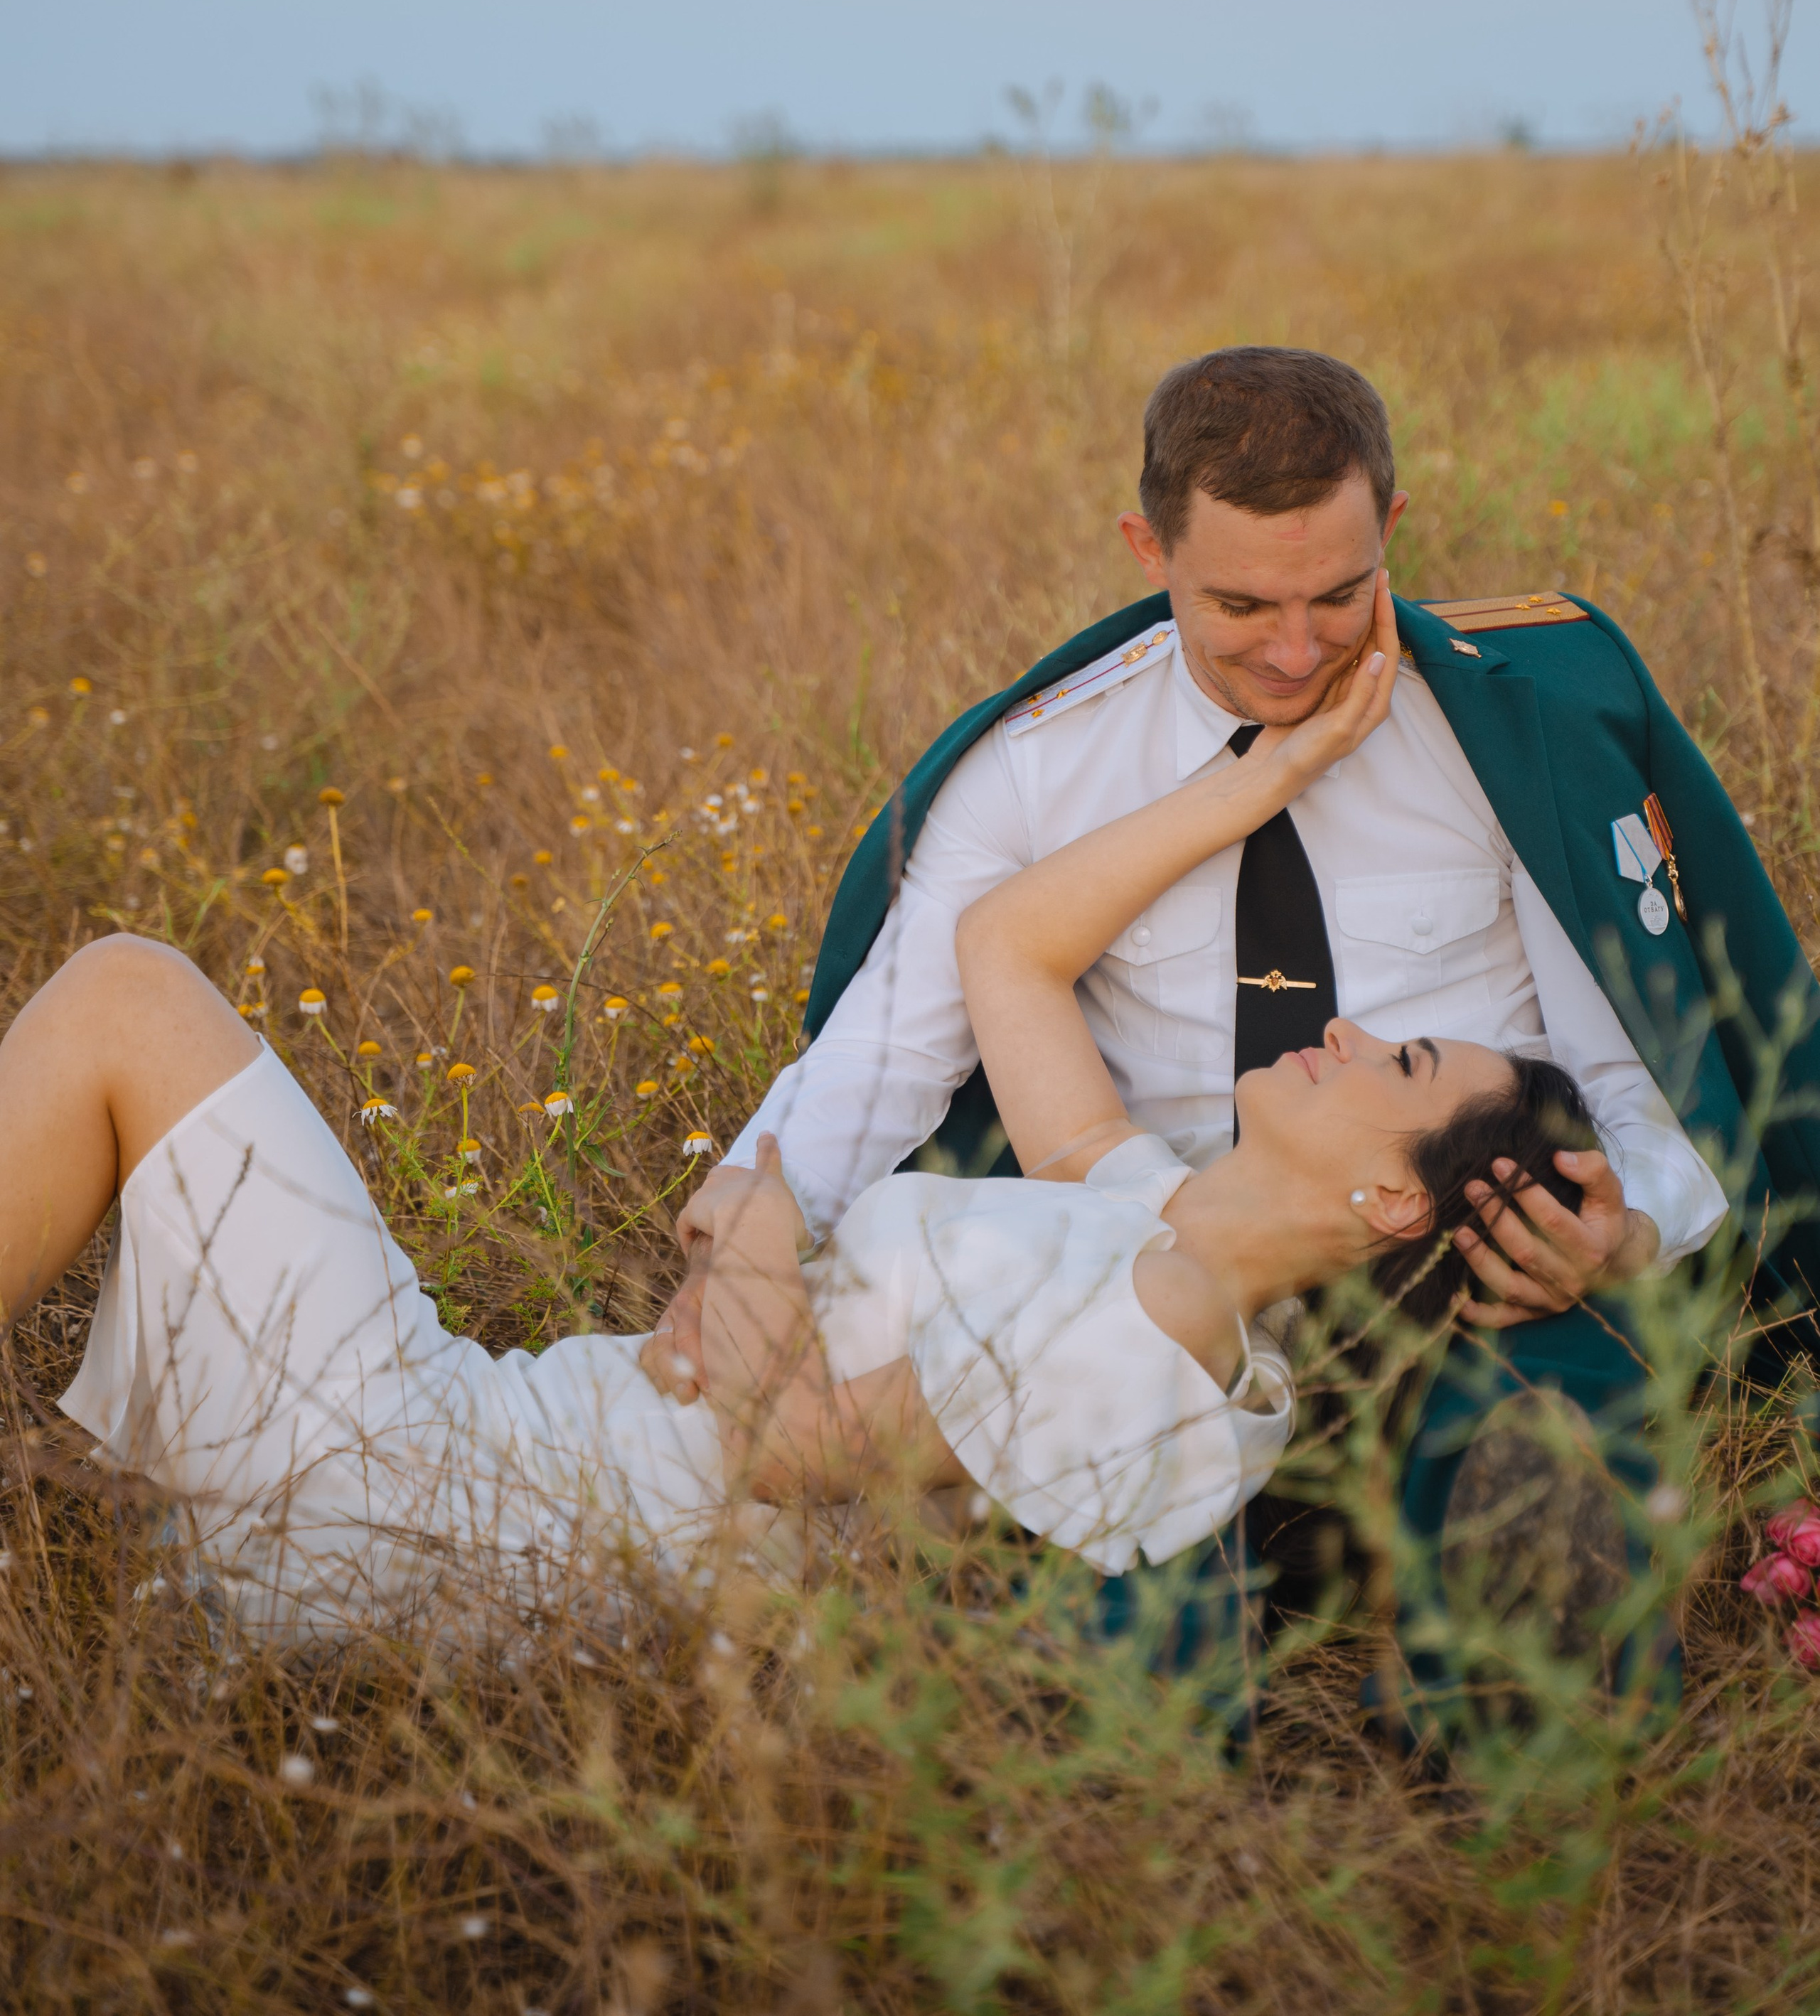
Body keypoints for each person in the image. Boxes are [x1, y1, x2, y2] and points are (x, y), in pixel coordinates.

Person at [4, 590, 1596, 1645]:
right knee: (125, 1036)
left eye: (1397, 1067)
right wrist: (1264, 773)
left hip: (450, 1511)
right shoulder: (1143, 1217)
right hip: (476, 1438)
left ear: (1394, 1207)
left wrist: (762, 1225)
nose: (1343, 1025)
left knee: (132, 997)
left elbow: (782, 1455)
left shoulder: (1161, 1332)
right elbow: (1003, 950)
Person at [647, 345, 1807, 1604]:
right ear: (1150, 553)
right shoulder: (1044, 766)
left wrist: (1619, 1233)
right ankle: (1173, 1649)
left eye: (1340, 593)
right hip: (1164, 1258)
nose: (1299, 652)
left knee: (1547, 1423)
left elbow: (1647, 1075)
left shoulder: (1504, 732)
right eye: (1242, 606)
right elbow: (886, 1050)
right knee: (1108, 1460)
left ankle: (1510, 1730)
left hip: (1448, 1274)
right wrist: (740, 1235)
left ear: (1394, 529)